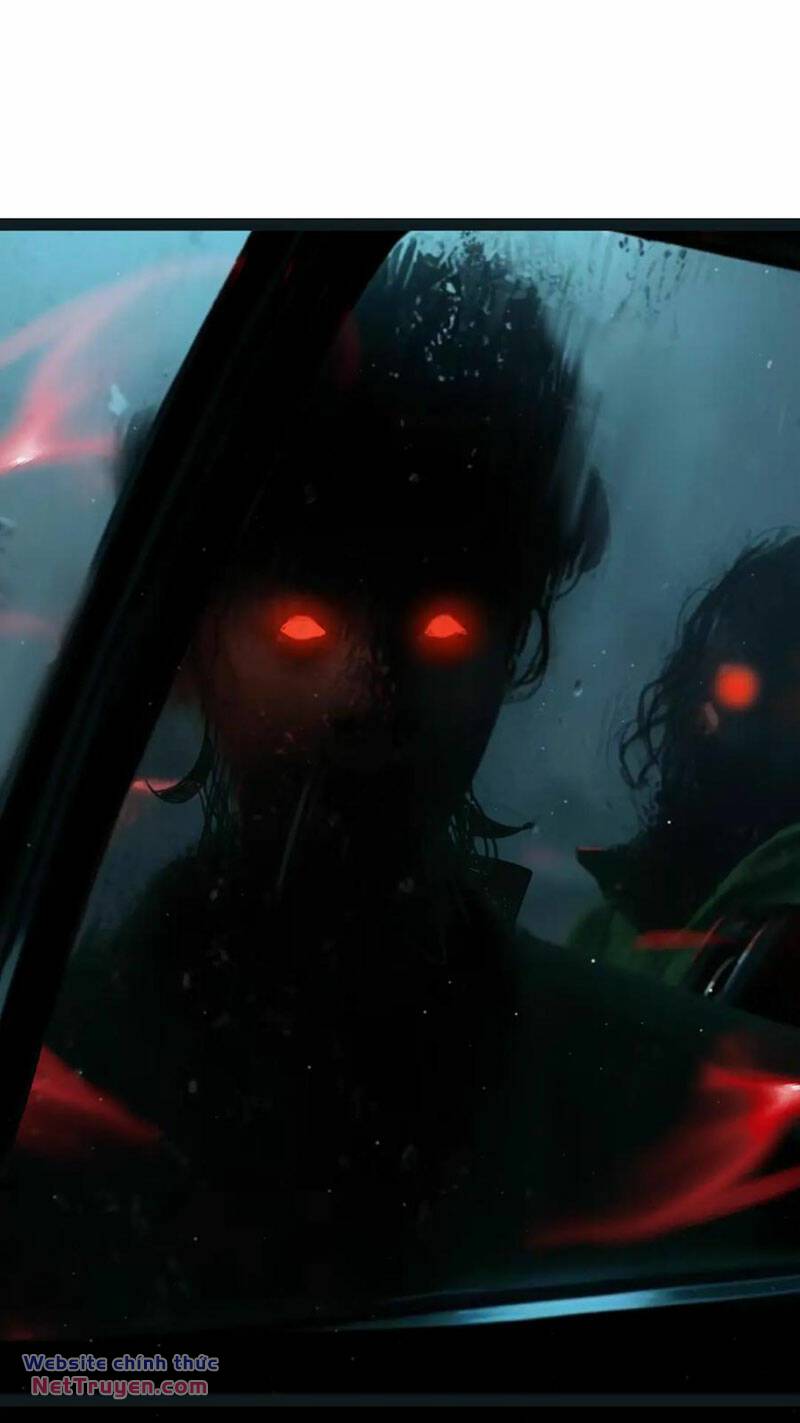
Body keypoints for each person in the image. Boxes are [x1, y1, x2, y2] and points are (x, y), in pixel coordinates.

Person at [7, 239, 800, 1337]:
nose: (366, 694)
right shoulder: (46, 1078)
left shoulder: (683, 1098)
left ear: (514, 646)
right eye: (300, 628)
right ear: (193, 648)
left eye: (443, 630)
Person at [570, 535, 800, 1000]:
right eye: (733, 677)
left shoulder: (618, 919)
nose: (748, 706)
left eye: (787, 679)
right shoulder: (614, 924)